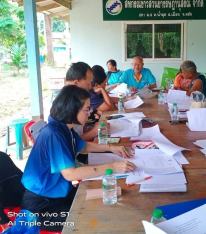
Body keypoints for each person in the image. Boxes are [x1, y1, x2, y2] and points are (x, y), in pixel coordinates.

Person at [21, 85, 136, 232]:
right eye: (86, 109)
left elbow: (82, 147)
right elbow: (71, 174)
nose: (89, 113)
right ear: (72, 109)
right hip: (42, 206)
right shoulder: (54, 133)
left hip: (59, 193)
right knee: (91, 221)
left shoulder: (63, 127)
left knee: (110, 199)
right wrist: (113, 167)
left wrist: (111, 148)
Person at [65, 62, 104, 140]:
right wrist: (94, 132)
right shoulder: (64, 105)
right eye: (88, 84)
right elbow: (72, 143)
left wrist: (91, 128)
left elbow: (78, 130)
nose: (90, 87)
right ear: (76, 83)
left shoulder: (75, 98)